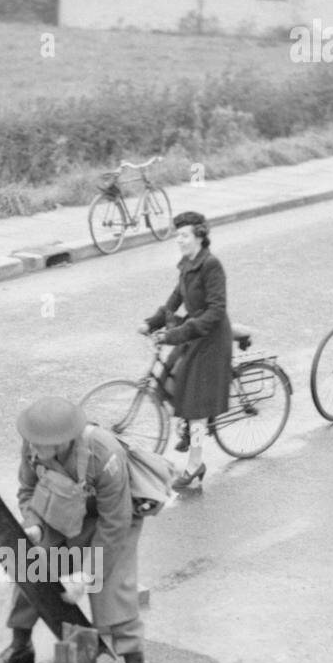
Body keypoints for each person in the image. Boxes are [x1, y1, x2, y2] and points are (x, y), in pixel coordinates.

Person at [0, 396, 151, 663]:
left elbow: (116, 522)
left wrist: (87, 574)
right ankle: (20, 646)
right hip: (63, 508)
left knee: (111, 590)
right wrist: (31, 526)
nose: (33, 451)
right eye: (30, 443)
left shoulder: (104, 454)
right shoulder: (34, 443)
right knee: (29, 565)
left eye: (40, 446)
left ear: (63, 441)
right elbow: (27, 490)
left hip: (112, 520)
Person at [140, 209, 232, 490]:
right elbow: (176, 297)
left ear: (199, 237)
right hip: (193, 333)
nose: (178, 240)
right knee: (167, 382)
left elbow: (217, 310)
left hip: (211, 339)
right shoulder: (187, 263)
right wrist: (153, 321)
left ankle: (195, 464)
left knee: (194, 409)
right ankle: (190, 426)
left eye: (184, 235)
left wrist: (177, 333)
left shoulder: (211, 265)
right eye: (177, 235)